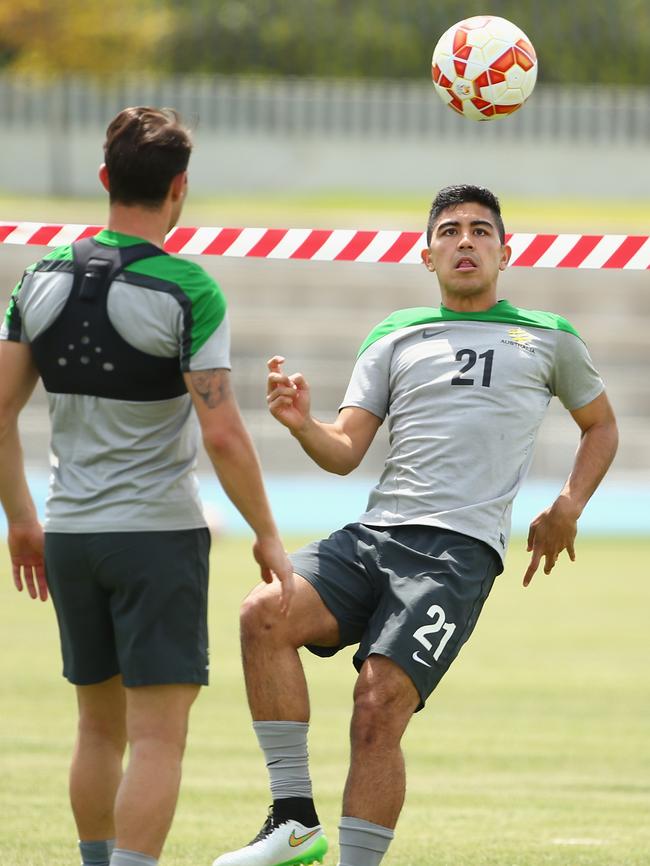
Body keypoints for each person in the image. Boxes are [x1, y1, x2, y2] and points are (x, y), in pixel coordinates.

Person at [212, 184, 619, 866]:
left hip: (455, 557)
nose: (466, 241)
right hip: (374, 535)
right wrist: (302, 423)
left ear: (504, 251)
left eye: (481, 231)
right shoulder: (395, 334)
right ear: (426, 254)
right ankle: (293, 822)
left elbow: (601, 426)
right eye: (451, 231)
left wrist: (569, 505)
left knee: (377, 705)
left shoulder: (550, 337)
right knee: (263, 613)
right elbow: (345, 451)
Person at [0, 106, 293, 866]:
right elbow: (223, 433)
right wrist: (265, 530)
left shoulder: (40, 276)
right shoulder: (188, 288)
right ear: (180, 189)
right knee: (158, 737)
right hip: (156, 537)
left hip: (67, 535)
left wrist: (22, 520)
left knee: (96, 727)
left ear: (105, 179)